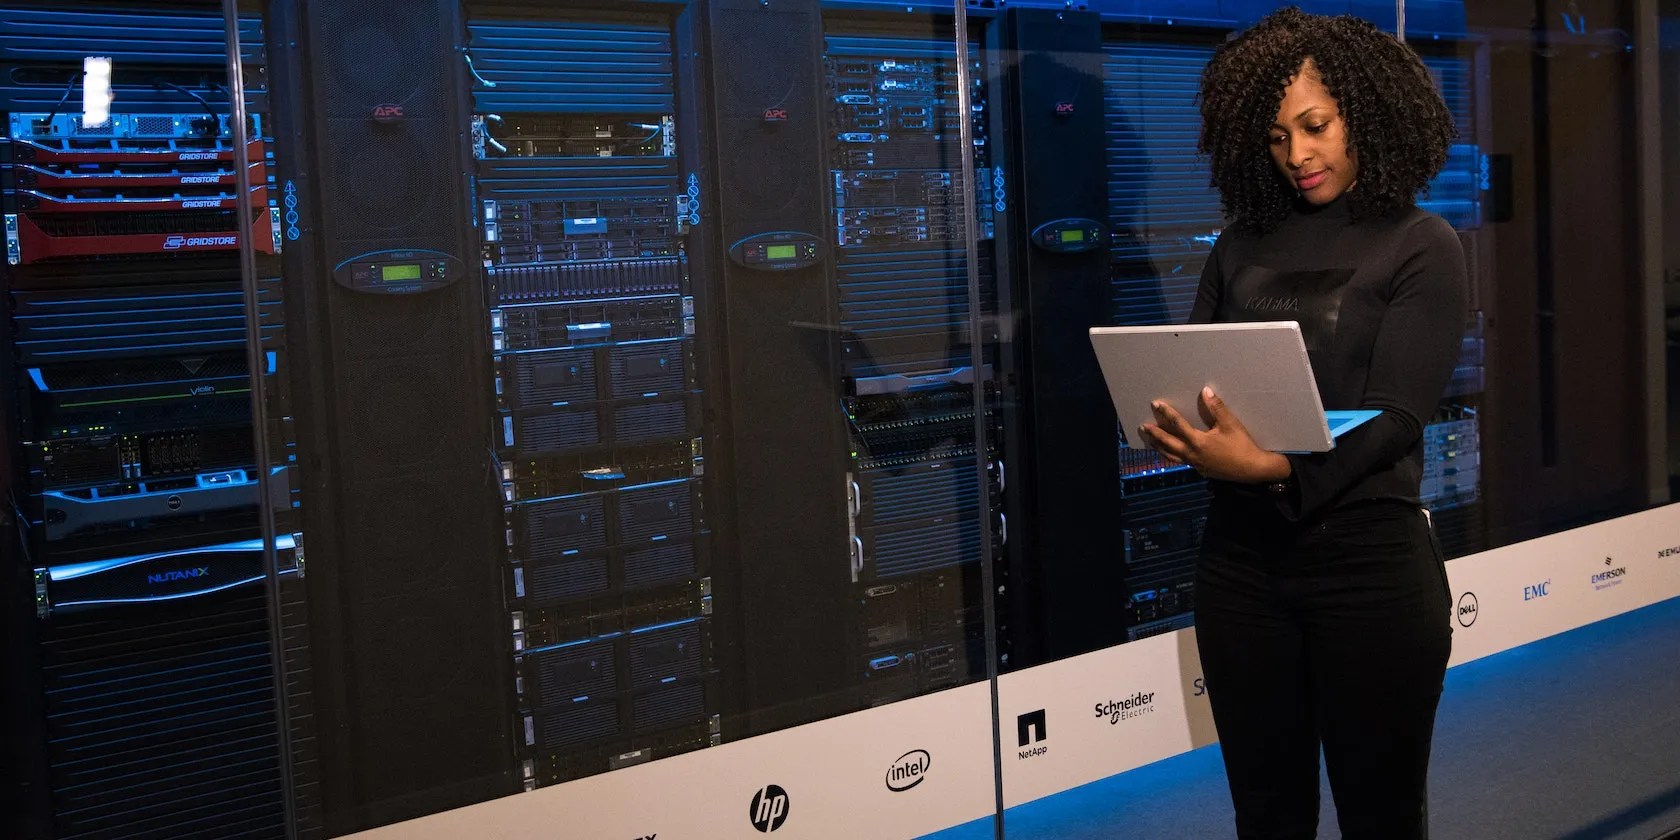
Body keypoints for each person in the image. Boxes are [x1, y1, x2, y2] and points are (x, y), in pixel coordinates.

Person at [1134, 7, 1467, 839]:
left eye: (1316, 127)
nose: (1298, 155)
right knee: (1267, 818)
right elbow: (1196, 377)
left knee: (1381, 818)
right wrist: (1173, 422)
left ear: (1368, 114)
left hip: (1371, 572)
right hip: (1241, 570)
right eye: (1278, 137)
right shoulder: (1238, 245)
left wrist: (1275, 469)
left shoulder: (1421, 243)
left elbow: (1398, 417)